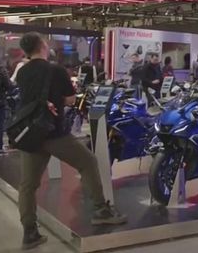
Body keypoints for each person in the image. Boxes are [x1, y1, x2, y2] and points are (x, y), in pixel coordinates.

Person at [14, 33, 126, 249]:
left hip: (31, 136)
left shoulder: (22, 71)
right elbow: (70, 99)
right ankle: (101, 210)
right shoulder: (56, 70)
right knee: (88, 162)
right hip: (55, 133)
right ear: (42, 46)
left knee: (28, 185)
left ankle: (29, 232)